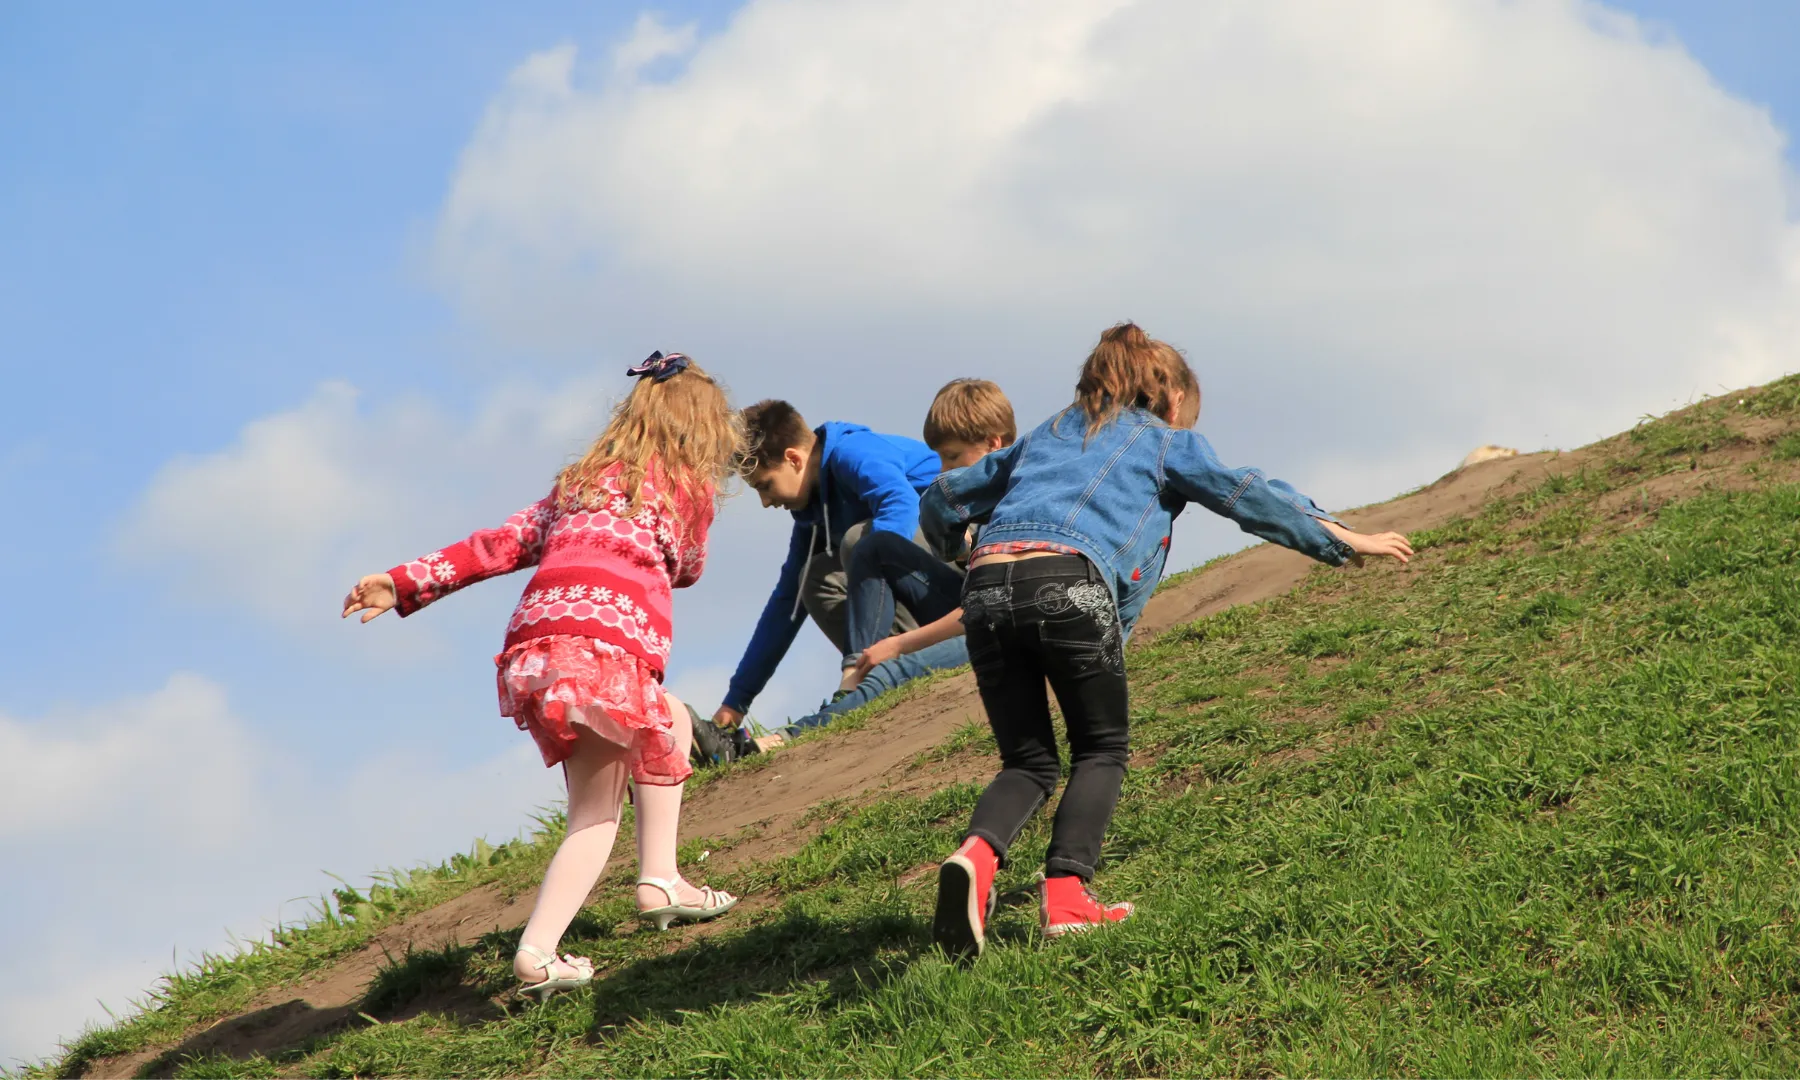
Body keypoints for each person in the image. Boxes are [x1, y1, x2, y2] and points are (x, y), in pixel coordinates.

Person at [920, 324, 1413, 958]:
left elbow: (944, 495)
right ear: (1172, 400)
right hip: (1067, 582)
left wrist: (958, 548)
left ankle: (976, 856)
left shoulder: (1045, 433)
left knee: (1029, 762)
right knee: (1100, 748)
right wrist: (1342, 539)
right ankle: (1068, 900)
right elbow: (1246, 494)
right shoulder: (1161, 442)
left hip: (986, 589)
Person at [341, 351, 742, 999]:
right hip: (605, 647)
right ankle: (538, 953)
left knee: (666, 719)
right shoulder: (685, 490)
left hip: (538, 647)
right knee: (594, 816)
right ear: (705, 432)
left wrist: (403, 581)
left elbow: (496, 544)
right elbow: (689, 567)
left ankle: (662, 878)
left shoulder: (577, 486)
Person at [710, 400, 941, 740]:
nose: (765, 501)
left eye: (764, 485)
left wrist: (850, 664)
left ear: (794, 458)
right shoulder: (813, 517)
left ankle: (861, 678)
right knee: (812, 579)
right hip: (911, 590)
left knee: (858, 542)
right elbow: (785, 606)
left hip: (955, 576)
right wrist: (735, 703)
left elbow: (901, 504)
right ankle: (890, 673)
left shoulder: (854, 451)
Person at [841, 378, 1016, 691]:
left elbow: (987, 607)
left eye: (952, 457)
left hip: (992, 625)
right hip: (967, 606)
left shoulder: (1015, 500)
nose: (943, 472)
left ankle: (871, 682)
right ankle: (853, 678)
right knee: (876, 546)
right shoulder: (971, 503)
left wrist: (899, 645)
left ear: (993, 444)